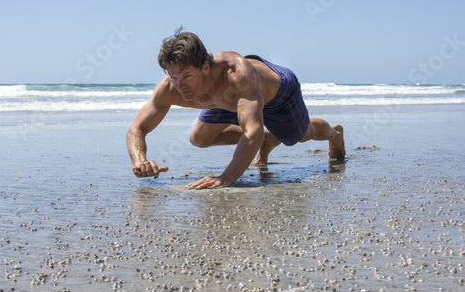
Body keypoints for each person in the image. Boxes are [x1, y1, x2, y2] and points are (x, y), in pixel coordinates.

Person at [126, 28, 345, 189]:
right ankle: (268, 138)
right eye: (173, 76)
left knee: (299, 136)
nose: (179, 86)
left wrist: (226, 177)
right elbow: (137, 128)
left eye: (187, 76)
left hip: (277, 92)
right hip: (226, 101)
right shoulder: (169, 88)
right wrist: (140, 160)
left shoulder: (235, 75)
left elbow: (252, 132)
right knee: (199, 138)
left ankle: (333, 134)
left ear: (205, 67)